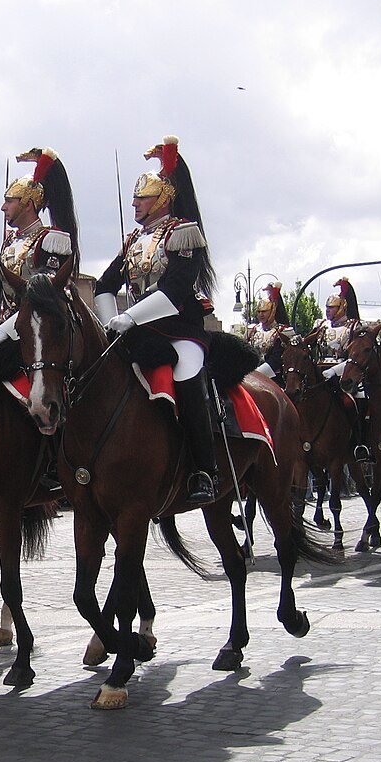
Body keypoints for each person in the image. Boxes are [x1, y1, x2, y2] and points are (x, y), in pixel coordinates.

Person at [93, 135, 219, 504]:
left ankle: (204, 469)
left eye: (142, 197)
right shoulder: (135, 239)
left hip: (180, 330)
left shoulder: (184, 234)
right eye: (134, 197)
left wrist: (129, 316)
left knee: (187, 376)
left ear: (163, 197)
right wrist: (109, 322)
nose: (134, 203)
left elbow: (175, 290)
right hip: (137, 331)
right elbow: (104, 285)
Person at [0, 148, 78, 343]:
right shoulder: (10, 242)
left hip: (41, 336)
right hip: (5, 332)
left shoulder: (51, 241)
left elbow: (45, 295)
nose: (3, 207)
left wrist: (5, 330)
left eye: (9, 201)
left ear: (28, 204)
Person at [312, 276, 371, 461]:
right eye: (327, 308)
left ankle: (360, 442)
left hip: (346, 376)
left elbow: (356, 356)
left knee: (355, 402)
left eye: (332, 308)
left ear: (343, 307)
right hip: (321, 375)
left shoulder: (354, 327)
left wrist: (335, 371)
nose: (328, 311)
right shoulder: (320, 326)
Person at [245, 282, 295, 380]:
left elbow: (278, 358)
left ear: (273, 311)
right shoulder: (252, 330)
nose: (261, 314)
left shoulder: (283, 331)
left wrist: (258, 373)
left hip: (275, 378)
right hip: (250, 374)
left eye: (264, 311)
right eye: (259, 312)